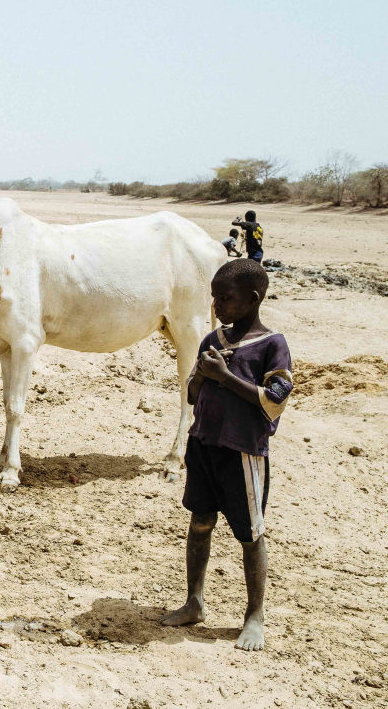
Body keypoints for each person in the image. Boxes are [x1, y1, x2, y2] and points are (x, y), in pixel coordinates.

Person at [160, 259, 292, 651]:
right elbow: (192, 395)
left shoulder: (272, 345)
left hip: (243, 453)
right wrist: (202, 375)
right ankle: (194, 601)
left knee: (250, 534)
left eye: (226, 298)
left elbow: (274, 401)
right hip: (204, 444)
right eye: (214, 297)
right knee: (200, 521)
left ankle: (254, 616)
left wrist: (227, 378)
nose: (217, 305)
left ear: (253, 299)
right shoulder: (212, 340)